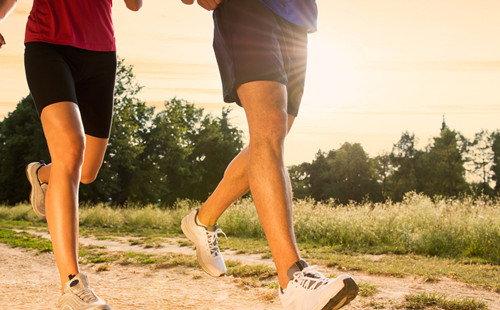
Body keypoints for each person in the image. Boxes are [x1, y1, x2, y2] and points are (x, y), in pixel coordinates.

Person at [179, 0, 359, 309]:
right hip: (248, 7)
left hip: (297, 16)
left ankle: (202, 219)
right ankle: (292, 279)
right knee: (269, 131)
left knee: (272, 138)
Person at [0, 0, 142, 309]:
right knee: (71, 148)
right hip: (48, 44)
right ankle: (72, 286)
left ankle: (41, 174)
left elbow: (135, 5)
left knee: (86, 170)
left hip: (100, 52)